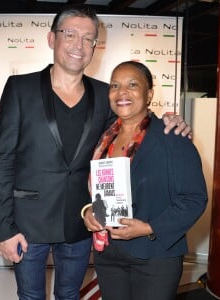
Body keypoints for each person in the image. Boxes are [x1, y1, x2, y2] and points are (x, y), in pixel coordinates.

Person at [0, 5, 192, 300]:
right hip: (27, 222)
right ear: (52, 39)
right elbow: (3, 160)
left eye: (88, 38)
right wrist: (3, 229)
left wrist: (169, 122)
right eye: (70, 34)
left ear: (95, 46)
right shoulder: (20, 88)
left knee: (70, 295)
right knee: (30, 296)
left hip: (81, 220)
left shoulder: (104, 94)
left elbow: (132, 127)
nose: (79, 45)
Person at [82, 61, 208, 300]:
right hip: (108, 254)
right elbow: (97, 192)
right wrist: (89, 212)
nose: (122, 92)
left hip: (155, 256)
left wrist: (149, 228)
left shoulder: (172, 137)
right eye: (115, 85)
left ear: (149, 93)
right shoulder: (104, 139)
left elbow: (194, 198)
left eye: (133, 85)